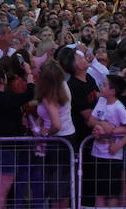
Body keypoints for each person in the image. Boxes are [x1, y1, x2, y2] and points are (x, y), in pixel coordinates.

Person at [0, 62, 36, 209]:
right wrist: (29, 75)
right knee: (1, 192)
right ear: (2, 80)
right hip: (6, 149)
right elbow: (29, 94)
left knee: (1, 191)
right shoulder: (5, 98)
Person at [88, 74, 126, 208]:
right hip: (97, 153)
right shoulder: (101, 101)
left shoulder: (118, 107)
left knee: (112, 193)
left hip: (112, 155)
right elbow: (91, 120)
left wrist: (118, 145)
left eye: (104, 85)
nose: (101, 86)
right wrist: (102, 124)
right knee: (99, 192)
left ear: (113, 91)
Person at [35, 60, 76, 209]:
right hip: (68, 137)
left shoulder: (49, 95)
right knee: (63, 187)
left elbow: (56, 124)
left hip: (57, 142)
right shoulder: (63, 86)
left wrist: (45, 133)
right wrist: (41, 120)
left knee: (56, 188)